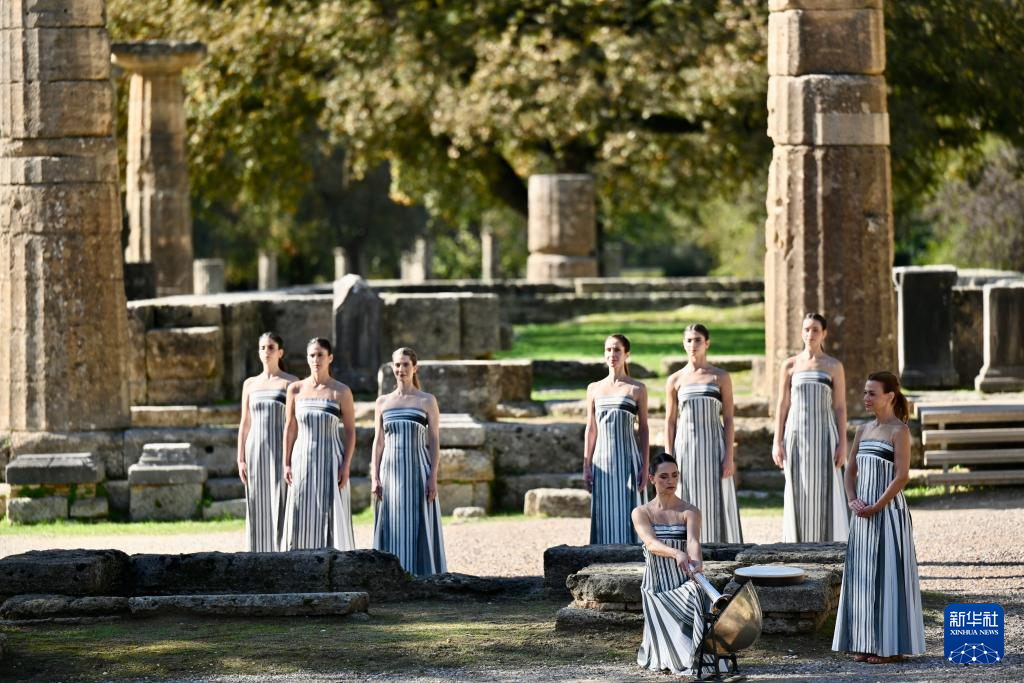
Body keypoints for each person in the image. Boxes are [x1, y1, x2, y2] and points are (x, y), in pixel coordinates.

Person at [833, 371, 925, 664]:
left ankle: (891, 648)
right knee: (863, 577)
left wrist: (877, 505)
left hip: (889, 514)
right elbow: (850, 471)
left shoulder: (900, 431)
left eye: (872, 393)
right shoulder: (862, 430)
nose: (866, 398)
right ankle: (864, 642)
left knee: (888, 577)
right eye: (865, 392)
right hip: (862, 515)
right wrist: (853, 500)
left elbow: (902, 476)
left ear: (890, 396)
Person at [773, 313, 850, 542]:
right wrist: (777, 441)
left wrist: (843, 443)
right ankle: (796, 544)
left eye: (815, 329)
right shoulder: (790, 365)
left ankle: (829, 543)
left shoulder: (834, 366)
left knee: (826, 487)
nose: (810, 334)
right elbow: (782, 404)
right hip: (795, 435)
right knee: (797, 487)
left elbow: (840, 407)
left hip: (825, 435)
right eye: (806, 329)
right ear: (801, 333)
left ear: (824, 333)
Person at [632, 452, 710, 676]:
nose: (671, 481)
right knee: (663, 660)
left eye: (675, 475)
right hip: (656, 585)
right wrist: (677, 553)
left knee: (697, 593)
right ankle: (676, 654)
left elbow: (693, 542)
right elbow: (650, 543)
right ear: (651, 479)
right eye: (664, 476)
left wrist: (696, 564)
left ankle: (697, 657)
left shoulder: (690, 511)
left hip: (682, 580)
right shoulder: (641, 512)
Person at [664, 324, 743, 543]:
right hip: (685, 449)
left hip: (714, 447)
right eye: (689, 340)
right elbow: (670, 421)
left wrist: (729, 456)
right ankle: (689, 548)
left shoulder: (720, 377)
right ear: (683, 344)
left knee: (716, 497)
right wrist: (668, 459)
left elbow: (728, 419)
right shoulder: (675, 380)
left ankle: (720, 546)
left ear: (707, 343)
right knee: (686, 497)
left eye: (698, 340)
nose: (693, 344)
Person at [372, 347, 447, 576]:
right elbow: (378, 442)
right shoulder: (382, 402)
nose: (401, 369)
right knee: (391, 522)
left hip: (418, 471)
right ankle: (390, 577)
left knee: (418, 523)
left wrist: (433, 476)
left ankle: (420, 575)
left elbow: (434, 441)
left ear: (415, 367)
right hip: (390, 473)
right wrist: (375, 477)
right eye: (397, 364)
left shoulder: (427, 400)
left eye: (405, 364)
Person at [280, 337, 356, 551]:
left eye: (320, 355)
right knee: (300, 508)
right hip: (301, 458)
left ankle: (335, 561)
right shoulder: (295, 389)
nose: (316, 359)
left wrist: (346, 465)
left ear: (330, 358)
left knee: (330, 511)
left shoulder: (341, 391)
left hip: (332, 459)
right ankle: (298, 560)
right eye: (312, 355)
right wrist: (286, 463)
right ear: (307, 358)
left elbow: (350, 432)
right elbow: (290, 427)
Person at [584, 334, 650, 544]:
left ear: (626, 354)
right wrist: (586, 465)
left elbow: (644, 429)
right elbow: (591, 428)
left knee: (632, 513)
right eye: (608, 349)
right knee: (604, 514)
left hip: (629, 461)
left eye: (617, 350)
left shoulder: (637, 388)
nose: (612, 354)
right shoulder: (593, 388)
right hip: (601, 463)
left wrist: (646, 465)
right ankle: (602, 557)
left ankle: (635, 557)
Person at [236, 332, 297, 552]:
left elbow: (294, 423)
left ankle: (282, 553)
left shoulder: (291, 383)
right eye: (262, 348)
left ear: (280, 352)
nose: (266, 352)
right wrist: (240, 458)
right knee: (257, 501)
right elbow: (245, 422)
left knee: (281, 501)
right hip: (255, 450)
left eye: (271, 347)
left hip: (280, 450)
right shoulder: (250, 384)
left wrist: (291, 457)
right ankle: (256, 553)